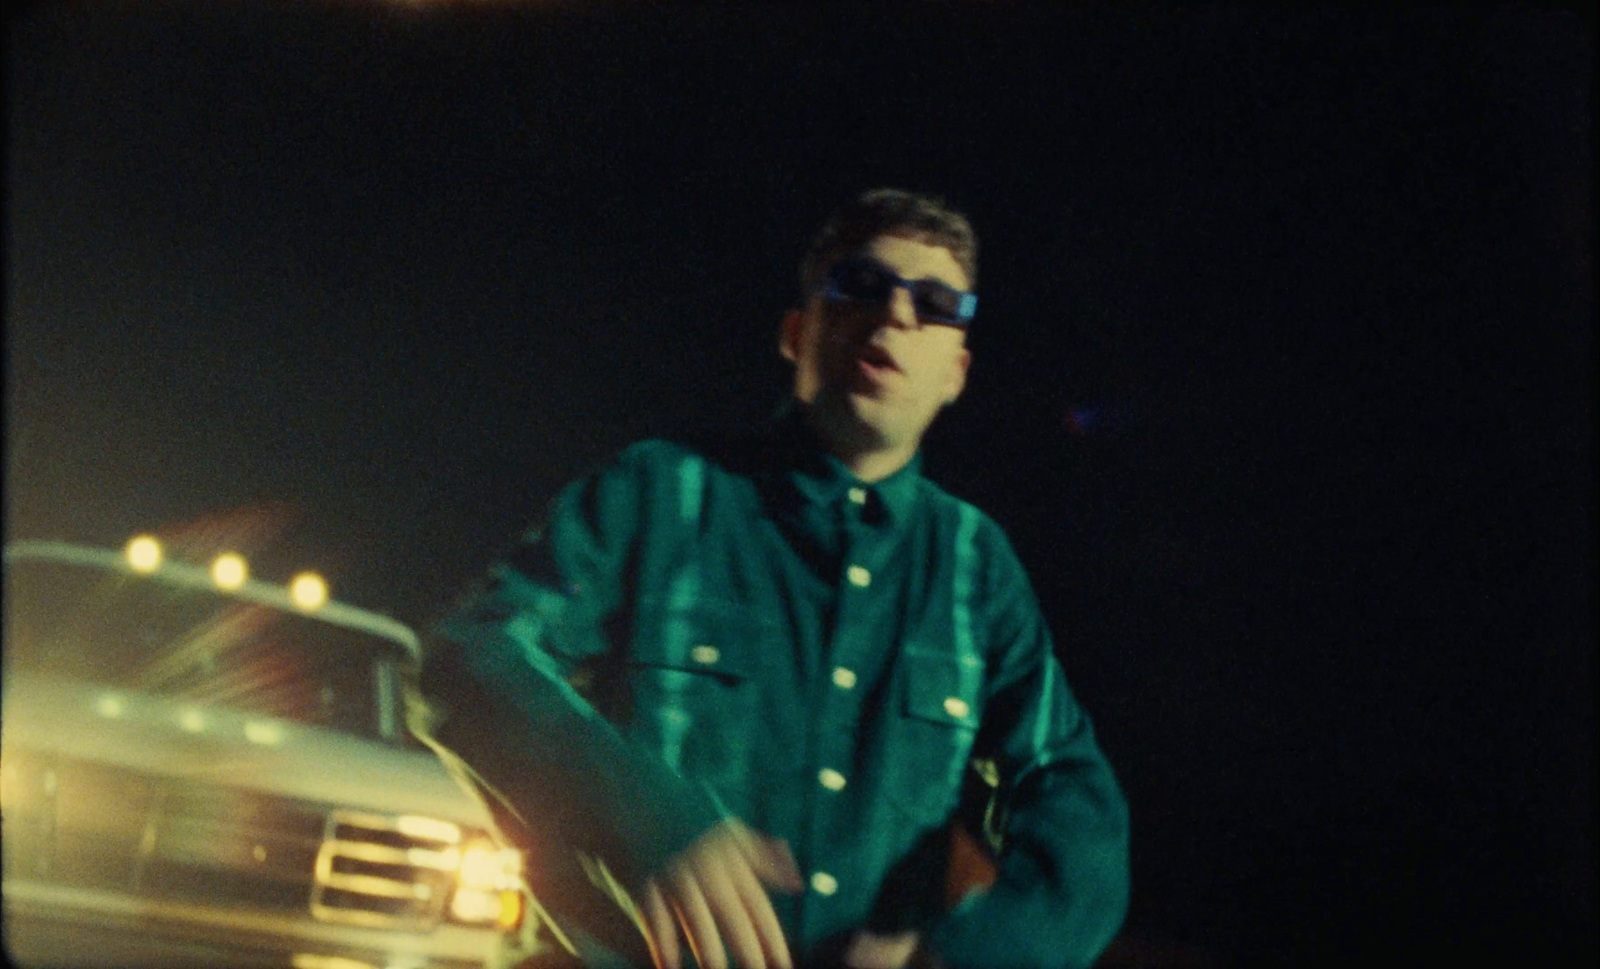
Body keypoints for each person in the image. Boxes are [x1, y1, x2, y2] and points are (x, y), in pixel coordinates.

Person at [411, 189, 1129, 969]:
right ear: (797, 332)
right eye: (860, 284)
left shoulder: (974, 566)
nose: (894, 316)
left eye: (934, 303)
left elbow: (1073, 796)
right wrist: (648, 815)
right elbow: (469, 653)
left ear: (956, 372)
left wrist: (965, 956)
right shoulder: (663, 491)